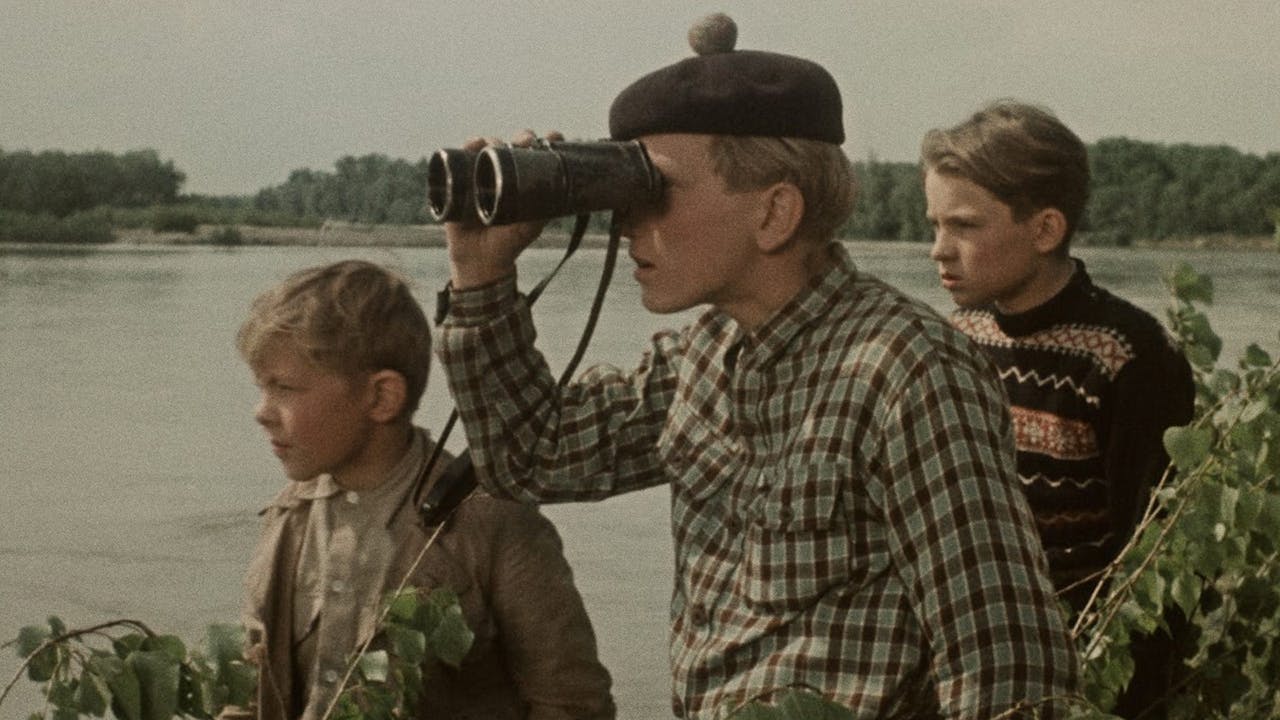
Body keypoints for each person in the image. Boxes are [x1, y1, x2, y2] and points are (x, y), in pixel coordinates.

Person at [433, 14, 1078, 720]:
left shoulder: (907, 372)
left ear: (775, 213)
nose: (626, 222)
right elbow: (531, 456)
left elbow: (1007, 666)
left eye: (655, 190)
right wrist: (480, 274)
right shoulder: (704, 357)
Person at [227, 260, 616, 720]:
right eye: (262, 388)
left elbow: (572, 705)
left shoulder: (493, 524)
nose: (261, 412)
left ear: (381, 397)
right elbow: (253, 689)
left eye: (285, 389)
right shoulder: (289, 518)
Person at [921, 99, 1196, 717]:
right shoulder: (953, 340)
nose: (939, 249)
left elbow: (1153, 568)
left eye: (964, 226)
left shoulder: (1131, 358)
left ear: (1044, 230)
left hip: (1078, 676)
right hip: (956, 668)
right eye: (934, 225)